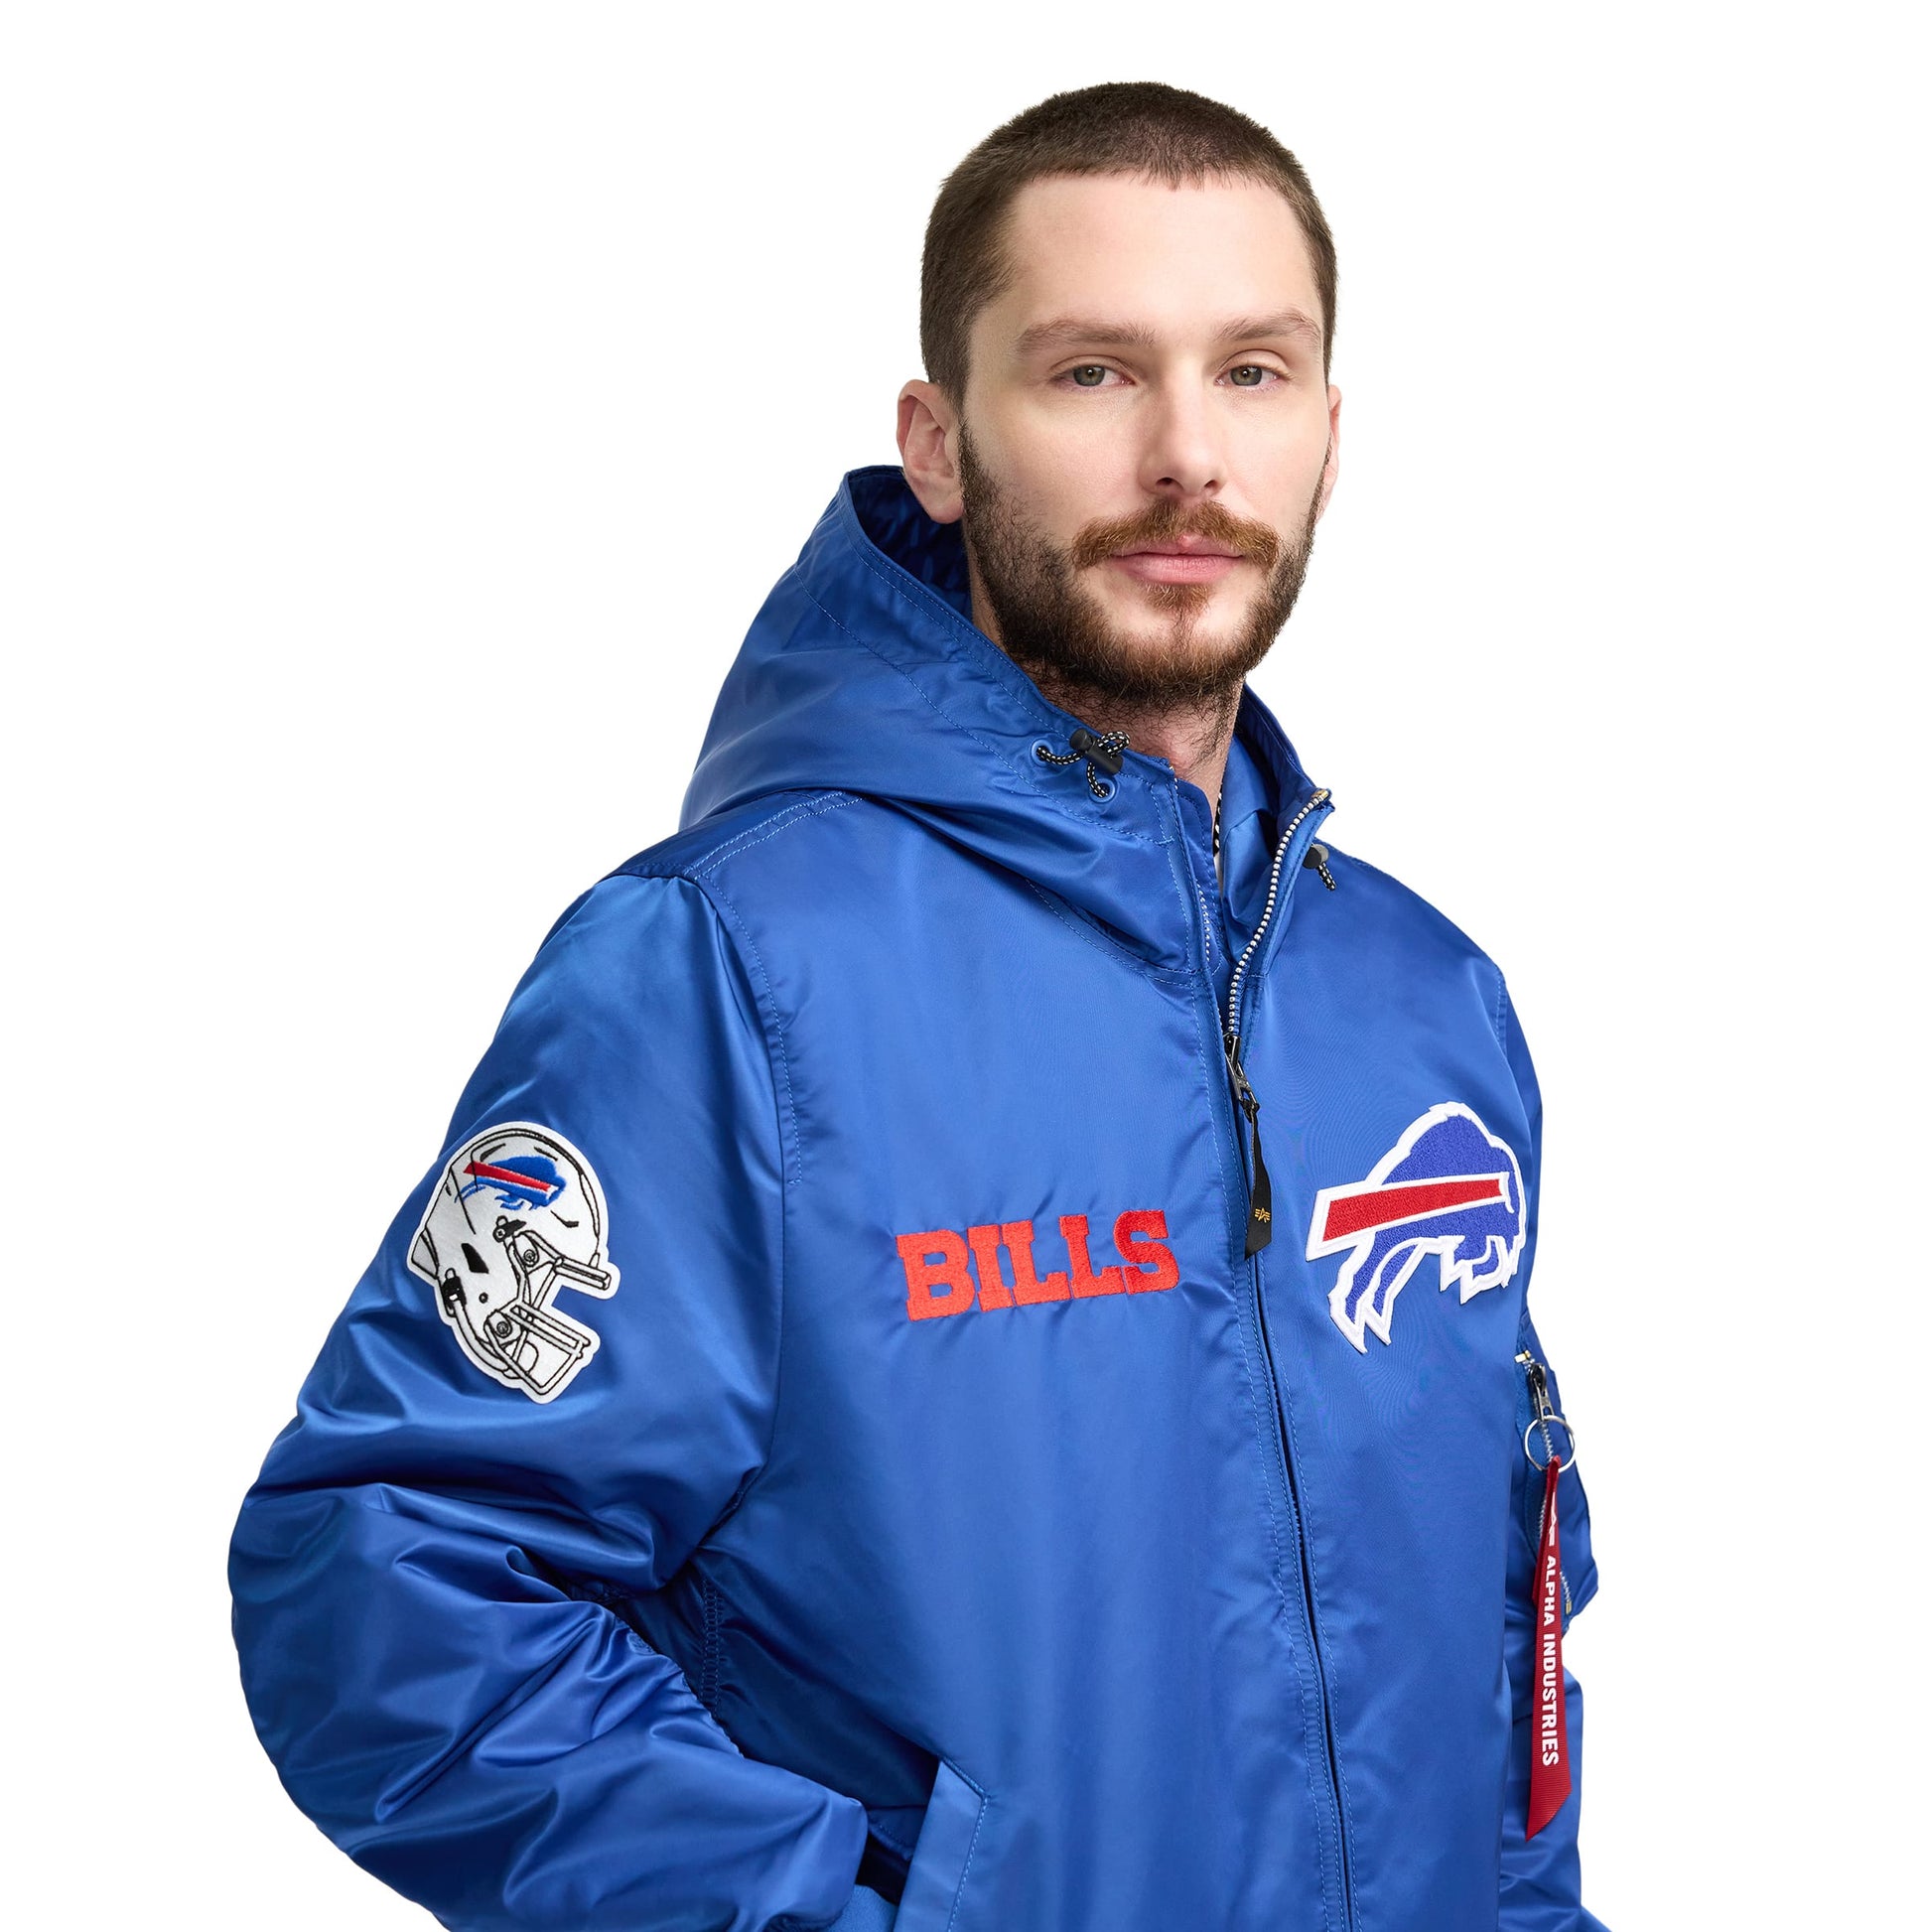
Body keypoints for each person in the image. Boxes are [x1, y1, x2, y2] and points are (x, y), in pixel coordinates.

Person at [230, 81, 1608, 1932]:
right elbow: (381, 1577)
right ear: (939, 443)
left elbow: (1506, 1622)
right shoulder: (726, 969)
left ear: (1329, 435)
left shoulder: (1422, 1002)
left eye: (1252, 371)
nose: (1188, 454)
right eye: (1093, 372)